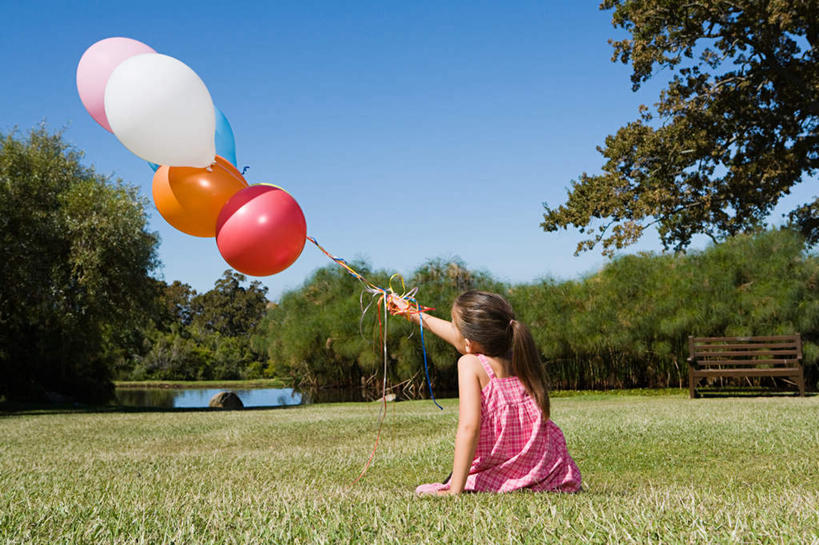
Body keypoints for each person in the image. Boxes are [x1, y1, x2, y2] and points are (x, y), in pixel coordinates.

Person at [388, 290, 581, 495]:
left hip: (503, 473)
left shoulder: (470, 364)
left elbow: (469, 428)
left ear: (470, 342)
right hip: (545, 471)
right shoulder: (518, 355)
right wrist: (411, 313)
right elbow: (461, 339)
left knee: (424, 491)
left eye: (454, 326)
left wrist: (455, 490)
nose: (451, 330)